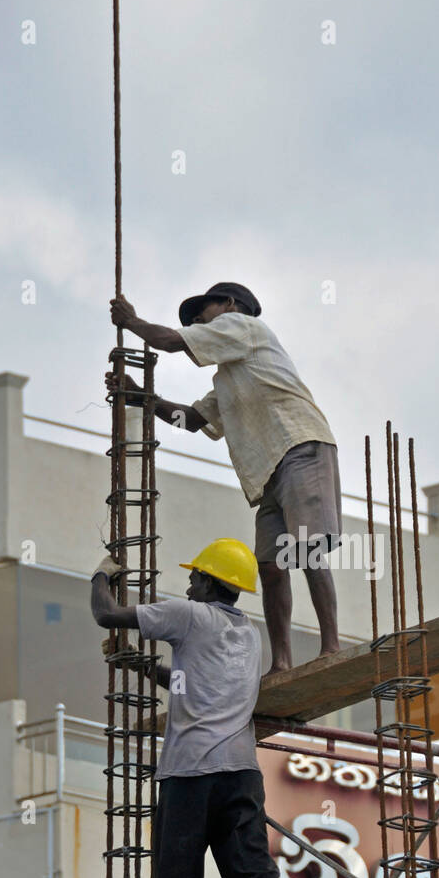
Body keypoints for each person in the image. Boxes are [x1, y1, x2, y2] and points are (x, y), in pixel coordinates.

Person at [90, 536, 337, 878]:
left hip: (189, 779)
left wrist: (101, 574)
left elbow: (106, 614)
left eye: (194, 576)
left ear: (208, 582)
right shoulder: (247, 636)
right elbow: (189, 685)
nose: (187, 583)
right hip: (240, 777)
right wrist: (143, 667)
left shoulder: (188, 616)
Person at [108, 281, 341, 673]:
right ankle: (282, 661)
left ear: (230, 305)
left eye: (204, 310)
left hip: (300, 446)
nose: (199, 319)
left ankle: (331, 646)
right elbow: (193, 420)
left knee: (306, 548)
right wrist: (142, 397)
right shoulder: (231, 375)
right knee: (270, 566)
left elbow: (169, 341)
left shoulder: (244, 327)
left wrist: (131, 322)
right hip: (268, 474)